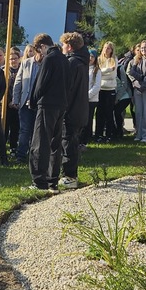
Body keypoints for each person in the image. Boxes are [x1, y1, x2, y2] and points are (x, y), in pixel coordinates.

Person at [26, 33, 68, 191]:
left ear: (43, 46)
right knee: (55, 144)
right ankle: (52, 180)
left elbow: (41, 83)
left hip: (47, 104)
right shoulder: (64, 59)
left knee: (40, 142)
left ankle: (39, 181)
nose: (40, 54)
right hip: (61, 104)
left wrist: (33, 101)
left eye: (39, 50)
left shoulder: (49, 59)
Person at [58, 33, 89, 189]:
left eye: (63, 45)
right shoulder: (82, 61)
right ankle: (70, 175)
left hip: (71, 109)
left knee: (68, 143)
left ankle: (70, 176)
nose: (62, 47)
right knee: (72, 142)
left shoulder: (72, 63)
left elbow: (67, 88)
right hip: (80, 108)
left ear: (69, 47)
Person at [10, 43, 39, 162]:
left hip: (38, 104)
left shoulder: (45, 64)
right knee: (24, 130)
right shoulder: (26, 63)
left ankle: (34, 155)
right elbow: (18, 82)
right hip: (25, 103)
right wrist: (15, 100)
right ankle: (21, 155)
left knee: (36, 131)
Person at [95, 42, 118, 141]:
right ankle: (98, 134)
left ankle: (109, 134)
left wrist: (103, 72)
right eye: (105, 48)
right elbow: (97, 73)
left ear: (111, 50)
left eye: (108, 48)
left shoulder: (114, 59)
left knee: (109, 112)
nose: (106, 50)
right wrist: (108, 70)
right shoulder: (99, 59)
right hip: (101, 89)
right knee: (99, 112)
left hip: (110, 89)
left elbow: (113, 75)